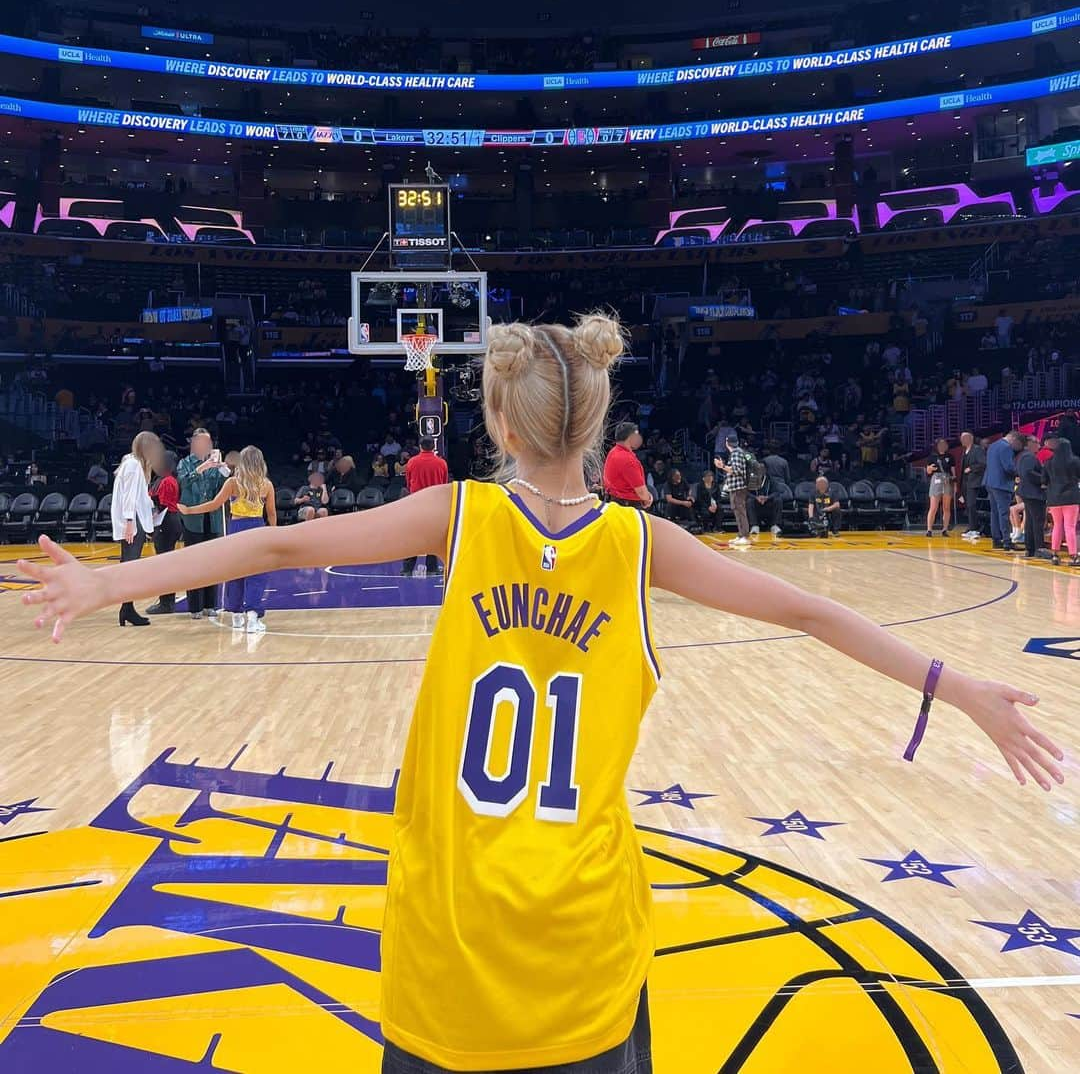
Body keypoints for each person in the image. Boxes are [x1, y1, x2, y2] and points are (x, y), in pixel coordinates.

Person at [17, 313, 1066, 1074]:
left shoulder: (462, 518)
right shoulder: (643, 544)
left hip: (448, 954)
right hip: (588, 959)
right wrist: (956, 685)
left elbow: (279, 537)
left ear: (501, 429)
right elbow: (811, 613)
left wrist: (111, 579)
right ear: (597, 423)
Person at [179, 445, 277, 633]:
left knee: (235, 573)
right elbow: (271, 514)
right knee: (257, 575)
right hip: (257, 529)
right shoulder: (266, 485)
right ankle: (253, 617)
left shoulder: (233, 482)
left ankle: (237, 615)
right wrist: (273, 534)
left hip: (236, 530)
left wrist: (190, 510)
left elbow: (214, 504)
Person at [111, 431, 165, 627]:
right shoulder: (134, 465)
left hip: (134, 520)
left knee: (129, 566)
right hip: (132, 523)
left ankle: (127, 608)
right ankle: (127, 609)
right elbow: (129, 497)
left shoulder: (131, 462)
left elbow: (138, 496)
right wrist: (129, 522)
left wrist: (150, 508)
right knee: (130, 566)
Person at [177, 429, 229, 619]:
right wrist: (201, 468)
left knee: (212, 564)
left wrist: (223, 468)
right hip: (193, 520)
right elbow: (183, 483)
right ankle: (195, 607)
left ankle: (210, 604)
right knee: (194, 563)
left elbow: (224, 485)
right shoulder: (184, 463)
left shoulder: (214, 464)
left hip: (212, 518)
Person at [401, 436, 448, 578]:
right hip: (434, 505)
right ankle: (432, 568)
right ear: (433, 446)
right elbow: (444, 483)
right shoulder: (441, 463)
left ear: (420, 446)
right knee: (433, 537)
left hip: (416, 503)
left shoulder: (411, 462)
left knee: (412, 536)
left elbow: (409, 483)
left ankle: (407, 569)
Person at [147, 450, 183, 615]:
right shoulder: (164, 479)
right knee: (165, 562)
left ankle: (166, 603)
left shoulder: (168, 481)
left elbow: (163, 504)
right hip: (166, 521)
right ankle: (166, 601)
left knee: (165, 564)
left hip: (166, 522)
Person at [986, 431, 1024, 551]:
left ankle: (996, 539)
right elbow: (1008, 467)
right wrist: (1019, 473)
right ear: (1014, 440)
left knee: (994, 512)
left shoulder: (993, 445)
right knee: (1003, 513)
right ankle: (1007, 541)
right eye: (1018, 445)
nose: (1017, 449)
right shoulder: (1006, 447)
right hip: (1002, 484)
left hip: (990, 482)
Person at [601, 421, 652, 509]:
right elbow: (642, 493)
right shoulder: (627, 459)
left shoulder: (613, 452)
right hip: (628, 506)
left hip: (615, 501)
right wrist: (649, 498)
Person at [1046, 436, 1080, 566]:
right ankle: (1073, 556)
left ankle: (1055, 554)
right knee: (1070, 527)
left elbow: (1044, 481)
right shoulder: (1075, 461)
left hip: (1054, 498)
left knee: (1057, 526)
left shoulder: (1049, 462)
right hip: (1071, 497)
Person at [1016, 435, 1048, 560]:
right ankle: (1039, 548)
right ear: (1029, 443)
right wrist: (1043, 480)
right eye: (1037, 443)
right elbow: (1029, 473)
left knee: (1030, 521)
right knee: (1037, 521)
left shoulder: (1023, 456)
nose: (1039, 446)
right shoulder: (1029, 457)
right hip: (1033, 493)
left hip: (1027, 492)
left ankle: (1030, 548)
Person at [716, 433, 751, 547]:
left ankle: (745, 536)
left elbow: (736, 470)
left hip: (738, 487)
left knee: (740, 511)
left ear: (727, 443)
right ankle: (741, 535)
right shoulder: (738, 452)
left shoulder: (736, 453)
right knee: (738, 510)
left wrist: (722, 467)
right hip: (737, 487)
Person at [958, 431, 986, 541]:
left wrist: (971, 468)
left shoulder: (977, 450)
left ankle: (975, 529)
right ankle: (971, 527)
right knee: (968, 506)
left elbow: (983, 463)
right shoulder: (965, 451)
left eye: (964, 438)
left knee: (972, 505)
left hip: (974, 482)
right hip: (966, 482)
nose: (961, 440)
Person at [925, 439, 954, 538]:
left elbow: (952, 471)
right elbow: (928, 471)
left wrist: (955, 483)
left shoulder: (950, 457)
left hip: (947, 480)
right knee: (933, 507)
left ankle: (945, 529)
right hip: (936, 479)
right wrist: (929, 469)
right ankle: (929, 529)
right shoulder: (932, 457)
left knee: (946, 507)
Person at [750, 470, 783, 540]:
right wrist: (756, 498)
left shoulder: (771, 479)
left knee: (778, 500)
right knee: (749, 501)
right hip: (756, 503)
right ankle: (754, 526)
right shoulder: (751, 479)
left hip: (768, 502)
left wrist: (767, 498)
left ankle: (775, 525)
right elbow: (747, 493)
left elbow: (777, 492)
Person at [692, 469, 720, 533]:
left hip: (714, 504)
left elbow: (719, 497)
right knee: (705, 512)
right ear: (704, 478)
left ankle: (717, 528)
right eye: (708, 476)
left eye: (711, 476)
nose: (710, 478)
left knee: (720, 510)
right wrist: (708, 507)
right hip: (704, 505)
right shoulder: (700, 486)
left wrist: (715, 505)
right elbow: (700, 499)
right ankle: (706, 528)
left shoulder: (716, 485)